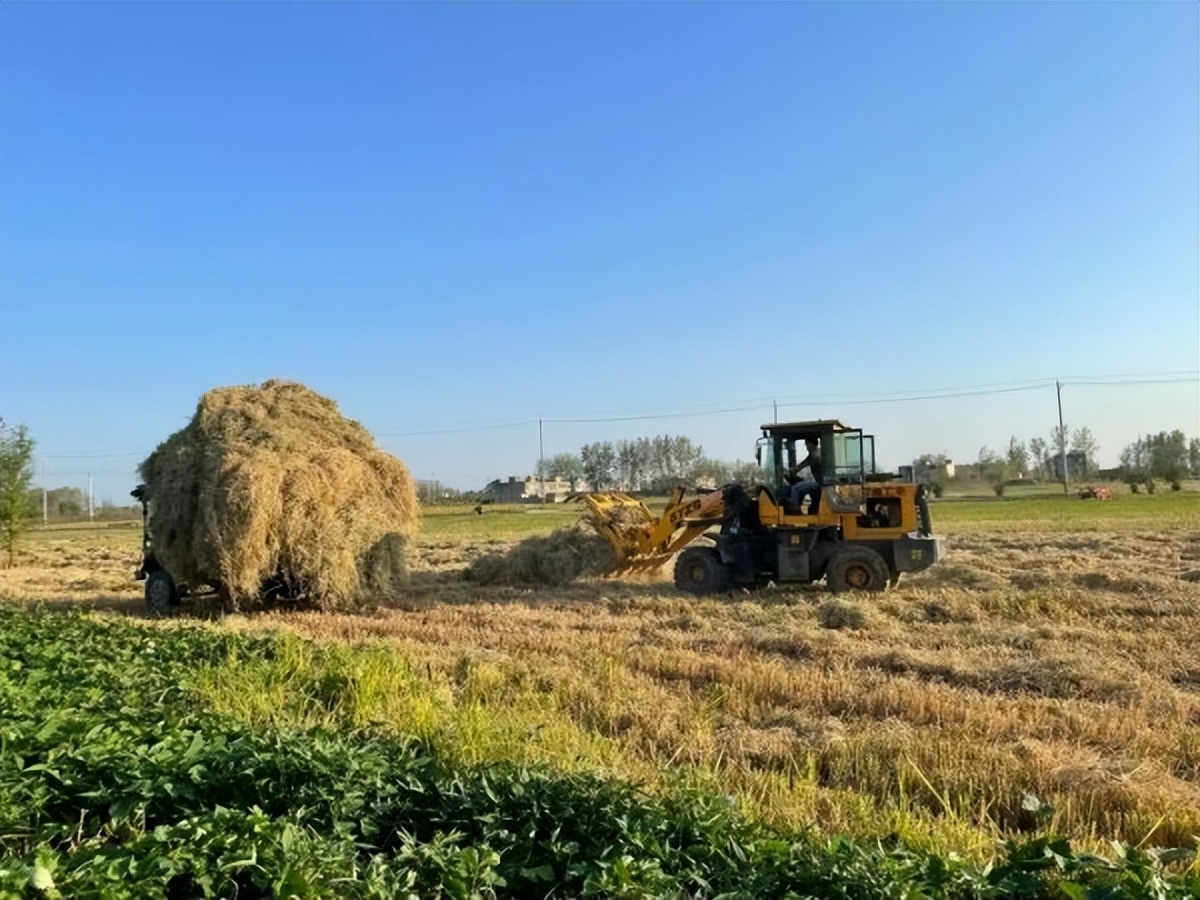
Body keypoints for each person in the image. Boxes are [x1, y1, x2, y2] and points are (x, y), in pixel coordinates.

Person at [784, 438, 823, 512]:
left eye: (807, 445)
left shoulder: (814, 455)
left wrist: (790, 470)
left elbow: (801, 465)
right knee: (801, 485)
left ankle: (795, 512)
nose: (806, 447)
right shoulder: (818, 452)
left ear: (811, 444)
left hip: (819, 483)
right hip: (821, 482)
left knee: (795, 489)